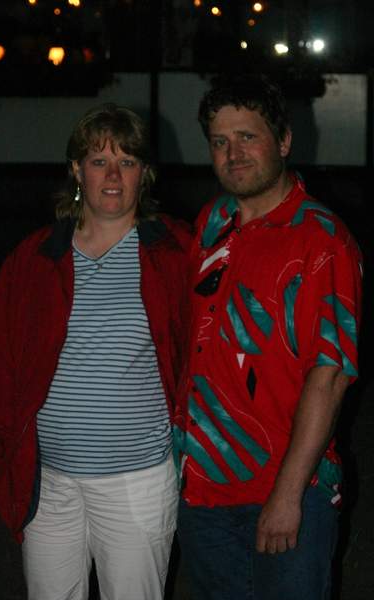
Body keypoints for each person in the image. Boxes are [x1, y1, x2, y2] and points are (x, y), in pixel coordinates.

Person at [0, 103, 191, 600]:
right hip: (50, 483)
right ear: (76, 169)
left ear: (144, 173)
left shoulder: (174, 252)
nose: (113, 176)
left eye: (127, 162)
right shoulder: (35, 257)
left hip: (137, 481)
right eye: (99, 161)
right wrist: (6, 448)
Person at [174, 74, 362, 599]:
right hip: (203, 488)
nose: (233, 154)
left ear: (283, 141)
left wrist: (287, 494)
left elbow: (330, 377)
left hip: (284, 487)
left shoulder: (321, 239)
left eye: (247, 137)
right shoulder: (211, 222)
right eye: (220, 141)